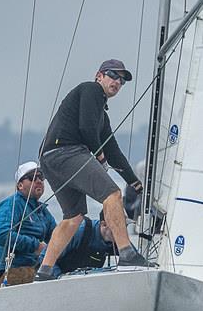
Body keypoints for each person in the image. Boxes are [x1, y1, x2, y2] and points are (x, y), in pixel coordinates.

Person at [35, 59, 146, 281]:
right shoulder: (91, 90)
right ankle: (126, 253)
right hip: (66, 151)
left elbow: (113, 151)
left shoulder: (101, 116)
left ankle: (44, 271)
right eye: (113, 75)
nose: (117, 82)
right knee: (112, 195)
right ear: (99, 76)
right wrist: (99, 154)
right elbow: (86, 127)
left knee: (73, 217)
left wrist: (134, 182)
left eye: (122, 80)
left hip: (50, 159)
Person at [0, 161, 56, 288]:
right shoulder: (11, 205)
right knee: (52, 277)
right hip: (3, 271)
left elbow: (56, 236)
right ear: (20, 185)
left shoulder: (43, 211)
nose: (39, 180)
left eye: (41, 177)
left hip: (28, 266)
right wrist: (36, 246)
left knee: (60, 271)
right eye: (32, 178)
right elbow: (2, 234)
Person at [46, 210, 118, 278]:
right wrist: (60, 278)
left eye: (125, 226)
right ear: (104, 224)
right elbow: (43, 257)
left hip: (89, 281)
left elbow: (128, 260)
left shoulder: (119, 240)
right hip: (63, 280)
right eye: (117, 226)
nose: (122, 233)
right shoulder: (79, 231)